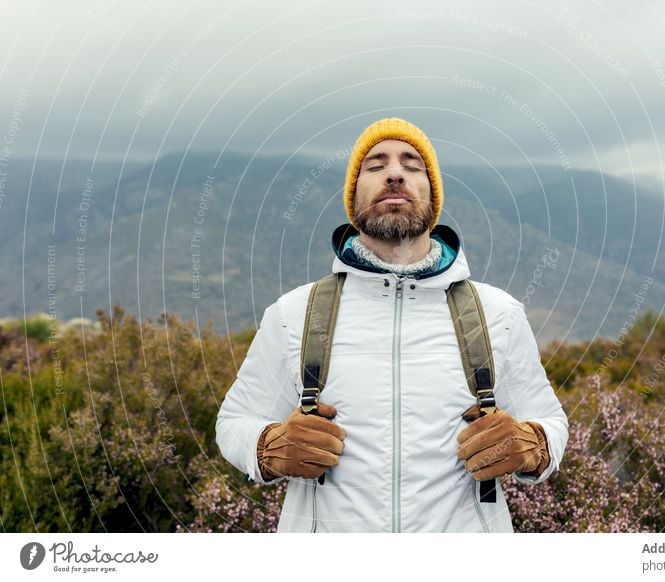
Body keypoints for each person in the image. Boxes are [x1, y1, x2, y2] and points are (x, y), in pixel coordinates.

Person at [215, 117, 569, 532]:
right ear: (354, 194)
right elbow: (234, 421)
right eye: (376, 164)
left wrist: (533, 446)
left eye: (412, 165)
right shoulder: (293, 314)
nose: (395, 173)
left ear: (431, 195)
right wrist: (266, 448)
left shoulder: (499, 314)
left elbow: (550, 420)